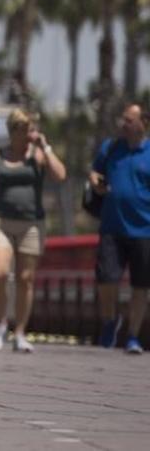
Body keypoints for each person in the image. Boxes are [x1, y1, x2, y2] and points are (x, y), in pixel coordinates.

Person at [0, 108, 66, 353]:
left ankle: (20, 332)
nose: (33, 133)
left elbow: (60, 176)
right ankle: (0, 325)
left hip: (32, 224)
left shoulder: (38, 156)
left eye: (33, 129)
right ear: (15, 131)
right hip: (1, 222)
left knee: (25, 279)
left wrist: (46, 148)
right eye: (28, 129)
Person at [89, 102, 150, 354]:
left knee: (141, 286)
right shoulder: (111, 147)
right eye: (123, 120)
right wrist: (96, 182)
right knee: (106, 280)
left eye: (128, 120)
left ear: (143, 124)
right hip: (112, 227)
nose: (122, 125)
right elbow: (94, 173)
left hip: (144, 230)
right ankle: (110, 321)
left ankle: (133, 336)